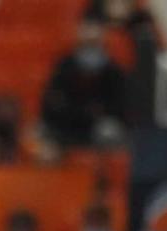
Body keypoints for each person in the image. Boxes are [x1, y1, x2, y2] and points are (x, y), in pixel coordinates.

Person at [41, 20, 127, 148]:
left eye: (94, 43)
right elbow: (52, 101)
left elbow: (120, 105)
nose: (90, 49)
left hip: (99, 126)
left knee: (110, 131)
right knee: (43, 135)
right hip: (66, 123)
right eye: (87, 44)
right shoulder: (64, 66)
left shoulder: (113, 70)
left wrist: (100, 112)